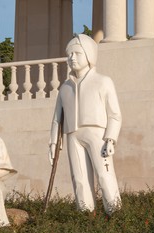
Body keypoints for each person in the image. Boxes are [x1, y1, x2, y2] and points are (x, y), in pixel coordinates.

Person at [49, 34, 122, 215]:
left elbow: (115, 115)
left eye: (77, 53)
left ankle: (116, 216)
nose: (71, 58)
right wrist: (53, 143)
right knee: (80, 180)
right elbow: (57, 119)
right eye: (69, 54)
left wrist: (111, 139)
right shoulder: (65, 87)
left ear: (89, 54)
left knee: (105, 176)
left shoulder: (103, 81)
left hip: (98, 135)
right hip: (72, 135)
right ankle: (85, 216)